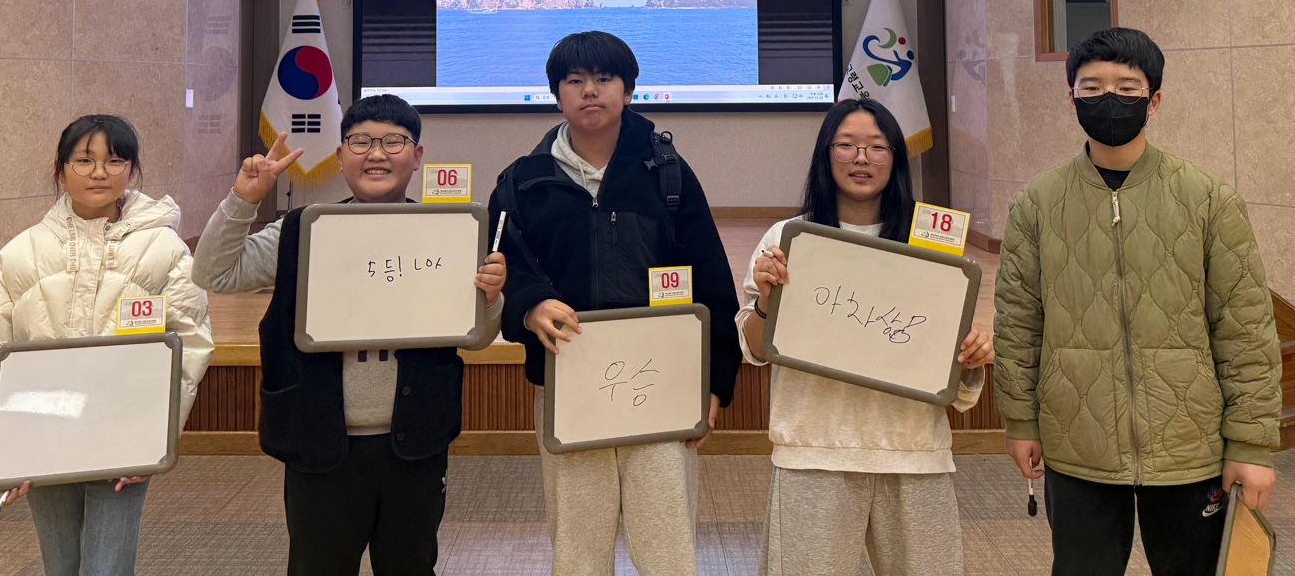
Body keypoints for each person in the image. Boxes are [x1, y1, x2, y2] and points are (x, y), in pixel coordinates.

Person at [993, 27, 1282, 576]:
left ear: (1155, 100)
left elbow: (1245, 329)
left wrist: (1251, 444)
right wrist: (1021, 420)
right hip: (1078, 442)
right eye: (1092, 86)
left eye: (1127, 88)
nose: (1109, 98)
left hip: (1189, 444)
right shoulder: (1037, 204)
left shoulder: (1208, 199)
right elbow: (1018, 324)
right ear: (1072, 98)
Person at [192, 93, 506, 576]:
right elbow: (214, 273)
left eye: (394, 142)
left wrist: (491, 296)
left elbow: (478, 338)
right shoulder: (301, 229)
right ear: (340, 157)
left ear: (418, 156)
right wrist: (244, 200)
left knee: (410, 566)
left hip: (416, 441)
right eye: (360, 142)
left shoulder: (447, 234)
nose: (376, 154)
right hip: (319, 442)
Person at [491, 31, 742, 576]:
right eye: (575, 80)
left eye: (604, 79)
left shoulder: (668, 174)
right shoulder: (523, 182)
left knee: (668, 550)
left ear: (628, 91)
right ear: (556, 94)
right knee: (578, 551)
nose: (590, 91)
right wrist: (530, 305)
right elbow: (504, 269)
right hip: (568, 386)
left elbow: (713, 283)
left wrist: (715, 382)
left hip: (661, 388)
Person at [736, 97, 992, 576]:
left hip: (914, 450)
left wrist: (973, 357)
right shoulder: (788, 238)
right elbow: (754, 350)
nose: (861, 158)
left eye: (876, 146)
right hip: (814, 450)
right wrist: (768, 301)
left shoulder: (931, 243)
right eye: (846, 145)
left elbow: (950, 371)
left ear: (895, 157)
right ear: (825, 154)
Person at [0, 114, 214, 576]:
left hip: (124, 434)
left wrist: (155, 438)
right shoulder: (22, 253)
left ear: (132, 170)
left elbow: (189, 348)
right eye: (84, 160)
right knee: (62, 565)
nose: (99, 173)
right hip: (43, 432)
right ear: (61, 169)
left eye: (115, 160)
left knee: (106, 567)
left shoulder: (166, 251)